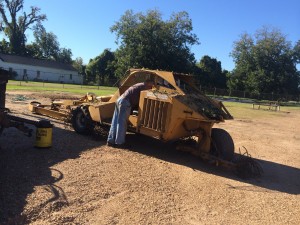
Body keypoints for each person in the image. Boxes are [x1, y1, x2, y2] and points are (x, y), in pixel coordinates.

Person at [107, 79, 154, 148]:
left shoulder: (139, 84)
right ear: (148, 83)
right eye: (151, 85)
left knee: (115, 121)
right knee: (122, 123)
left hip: (120, 100)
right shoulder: (144, 87)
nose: (151, 87)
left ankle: (110, 141)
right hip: (125, 102)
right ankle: (119, 143)